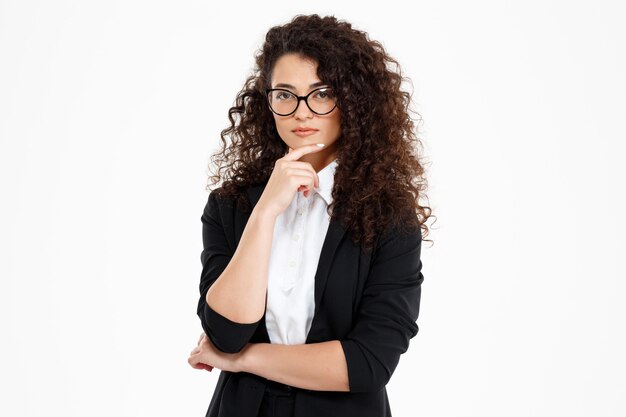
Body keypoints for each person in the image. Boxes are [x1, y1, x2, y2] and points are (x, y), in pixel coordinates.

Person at [187, 14, 433, 417]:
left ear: (352, 99)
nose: (301, 111)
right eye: (285, 94)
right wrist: (266, 211)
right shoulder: (231, 205)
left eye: (321, 93)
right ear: (267, 103)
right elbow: (226, 333)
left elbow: (369, 362)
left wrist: (244, 360)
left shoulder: (390, 214)